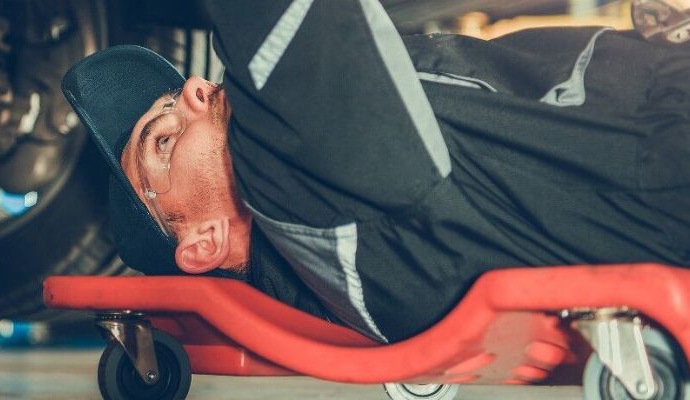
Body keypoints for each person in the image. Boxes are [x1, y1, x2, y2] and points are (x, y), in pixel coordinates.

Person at [61, 0, 690, 343]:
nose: (196, 87)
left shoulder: (339, 213)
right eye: (164, 139)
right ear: (203, 241)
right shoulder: (305, 196)